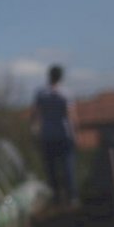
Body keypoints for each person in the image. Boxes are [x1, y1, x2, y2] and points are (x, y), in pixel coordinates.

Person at [31, 65, 79, 207]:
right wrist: (75, 134)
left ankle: (56, 197)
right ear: (61, 77)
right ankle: (72, 197)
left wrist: (34, 132)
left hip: (47, 135)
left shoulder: (41, 93)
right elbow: (71, 116)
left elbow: (35, 115)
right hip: (64, 134)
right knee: (68, 167)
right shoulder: (65, 93)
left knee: (50, 168)